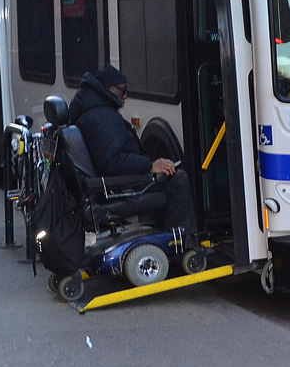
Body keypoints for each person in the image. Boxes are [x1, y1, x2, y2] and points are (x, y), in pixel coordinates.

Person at [66, 64, 198, 238]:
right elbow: (113, 161)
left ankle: (165, 237)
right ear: (111, 89)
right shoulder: (104, 117)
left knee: (165, 177)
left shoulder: (93, 111)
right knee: (178, 179)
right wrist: (150, 166)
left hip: (108, 185)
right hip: (116, 188)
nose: (126, 95)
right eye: (123, 90)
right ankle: (187, 241)